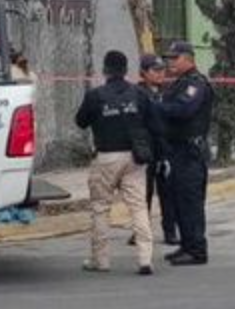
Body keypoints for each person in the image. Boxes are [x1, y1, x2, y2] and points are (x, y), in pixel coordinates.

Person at [74, 51, 155, 275]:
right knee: (138, 207)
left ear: (105, 70)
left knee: (100, 208)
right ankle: (145, 259)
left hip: (107, 157)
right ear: (126, 70)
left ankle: (101, 260)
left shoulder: (95, 95)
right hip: (135, 158)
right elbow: (152, 121)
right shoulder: (139, 93)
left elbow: (80, 121)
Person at [157, 40, 215, 266]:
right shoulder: (179, 82)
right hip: (177, 150)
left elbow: (183, 109)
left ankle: (198, 250)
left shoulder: (195, 83)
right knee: (179, 201)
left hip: (191, 151)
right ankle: (187, 244)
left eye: (175, 58)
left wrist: (157, 107)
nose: (170, 62)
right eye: (169, 58)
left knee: (191, 202)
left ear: (189, 58)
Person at [138, 54, 180, 246]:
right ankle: (141, 230)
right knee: (142, 193)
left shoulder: (170, 91)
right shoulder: (137, 93)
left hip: (165, 148)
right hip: (145, 148)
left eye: (162, 70)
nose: (160, 74)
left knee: (167, 192)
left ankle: (170, 231)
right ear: (144, 73)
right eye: (155, 70)